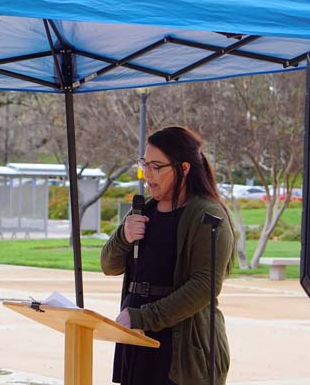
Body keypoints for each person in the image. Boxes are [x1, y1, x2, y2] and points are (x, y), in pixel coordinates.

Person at [101, 126, 235, 385]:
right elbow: (109, 265)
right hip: (137, 341)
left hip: (183, 351)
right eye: (144, 164)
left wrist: (143, 317)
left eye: (156, 166)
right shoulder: (144, 211)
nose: (146, 174)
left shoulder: (208, 216)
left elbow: (204, 286)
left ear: (184, 168)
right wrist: (123, 236)